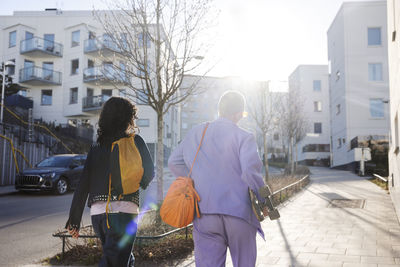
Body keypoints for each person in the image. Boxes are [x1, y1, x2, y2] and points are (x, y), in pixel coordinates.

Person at [168, 91, 266, 267]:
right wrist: (264, 200)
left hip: (204, 213)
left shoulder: (196, 133)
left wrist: (196, 180)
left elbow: (174, 162)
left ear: (220, 110)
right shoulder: (244, 137)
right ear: (238, 113)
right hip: (239, 213)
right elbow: (250, 174)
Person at [65, 97, 154, 267]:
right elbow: (149, 173)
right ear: (128, 118)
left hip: (98, 215)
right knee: (115, 261)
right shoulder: (136, 142)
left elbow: (83, 183)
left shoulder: (96, 147)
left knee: (125, 259)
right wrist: (137, 183)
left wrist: (74, 220)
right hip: (124, 213)